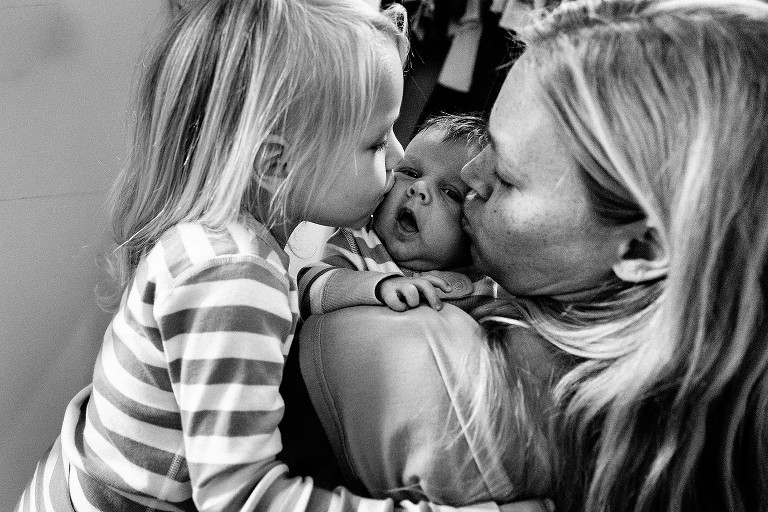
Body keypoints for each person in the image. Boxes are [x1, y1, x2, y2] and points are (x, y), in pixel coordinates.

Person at [292, 0, 768, 511]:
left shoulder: (441, 376)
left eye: (510, 177)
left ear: (642, 248)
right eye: (489, 139)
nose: (472, 174)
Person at [13, 0, 411, 510]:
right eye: (377, 143)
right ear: (276, 163)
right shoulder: (234, 276)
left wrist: (365, 288)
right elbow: (243, 498)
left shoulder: (224, 241)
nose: (400, 160)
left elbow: (289, 288)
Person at [298, 114, 495, 317]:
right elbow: (308, 290)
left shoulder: (484, 287)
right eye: (411, 173)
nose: (419, 187)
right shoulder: (359, 243)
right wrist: (378, 286)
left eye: (450, 192)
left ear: (471, 226)